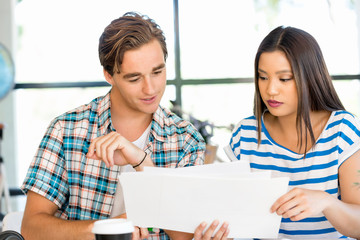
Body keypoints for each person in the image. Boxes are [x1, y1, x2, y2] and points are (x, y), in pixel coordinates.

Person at [20, 12, 229, 240]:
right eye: (134, 78)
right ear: (109, 75)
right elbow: (32, 228)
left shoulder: (186, 141)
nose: (150, 89)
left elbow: (185, 235)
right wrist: (110, 228)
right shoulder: (66, 131)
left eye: (158, 72)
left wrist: (141, 162)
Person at [226, 26, 360, 239]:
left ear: (309, 77)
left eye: (284, 78)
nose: (270, 90)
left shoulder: (342, 131)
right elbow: (235, 216)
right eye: (263, 77)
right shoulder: (245, 135)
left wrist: (326, 202)